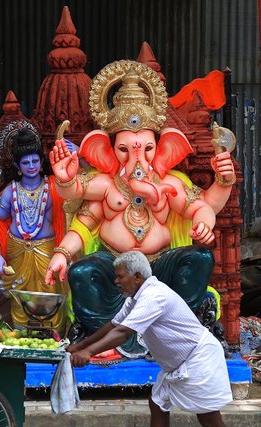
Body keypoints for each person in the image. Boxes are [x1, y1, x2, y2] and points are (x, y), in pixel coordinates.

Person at [45, 60, 236, 357]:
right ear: (106, 149)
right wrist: (61, 251)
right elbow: (79, 211)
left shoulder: (170, 183)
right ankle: (103, 339)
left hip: (157, 268)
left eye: (147, 148)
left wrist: (212, 204)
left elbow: (203, 206)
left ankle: (174, 334)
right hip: (115, 267)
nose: (137, 158)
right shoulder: (106, 184)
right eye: (125, 149)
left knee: (199, 258)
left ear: (162, 148)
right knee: (81, 272)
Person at [68, 251, 251, 427]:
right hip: (178, 362)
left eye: (119, 276)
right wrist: (79, 346)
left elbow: (123, 333)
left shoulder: (154, 296)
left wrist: (88, 353)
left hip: (198, 357)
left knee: (208, 417)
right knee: (157, 403)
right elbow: (114, 324)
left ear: (136, 276)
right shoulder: (135, 297)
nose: (116, 281)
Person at [0, 121, 66, 330]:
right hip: (17, 248)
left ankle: (53, 335)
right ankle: (21, 335)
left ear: (41, 162)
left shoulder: (54, 185)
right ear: (18, 168)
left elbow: (77, 191)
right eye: (26, 162)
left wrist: (76, 155)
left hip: (47, 248)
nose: (31, 166)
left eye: (35, 161)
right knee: (19, 294)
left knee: (51, 289)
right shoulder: (11, 190)